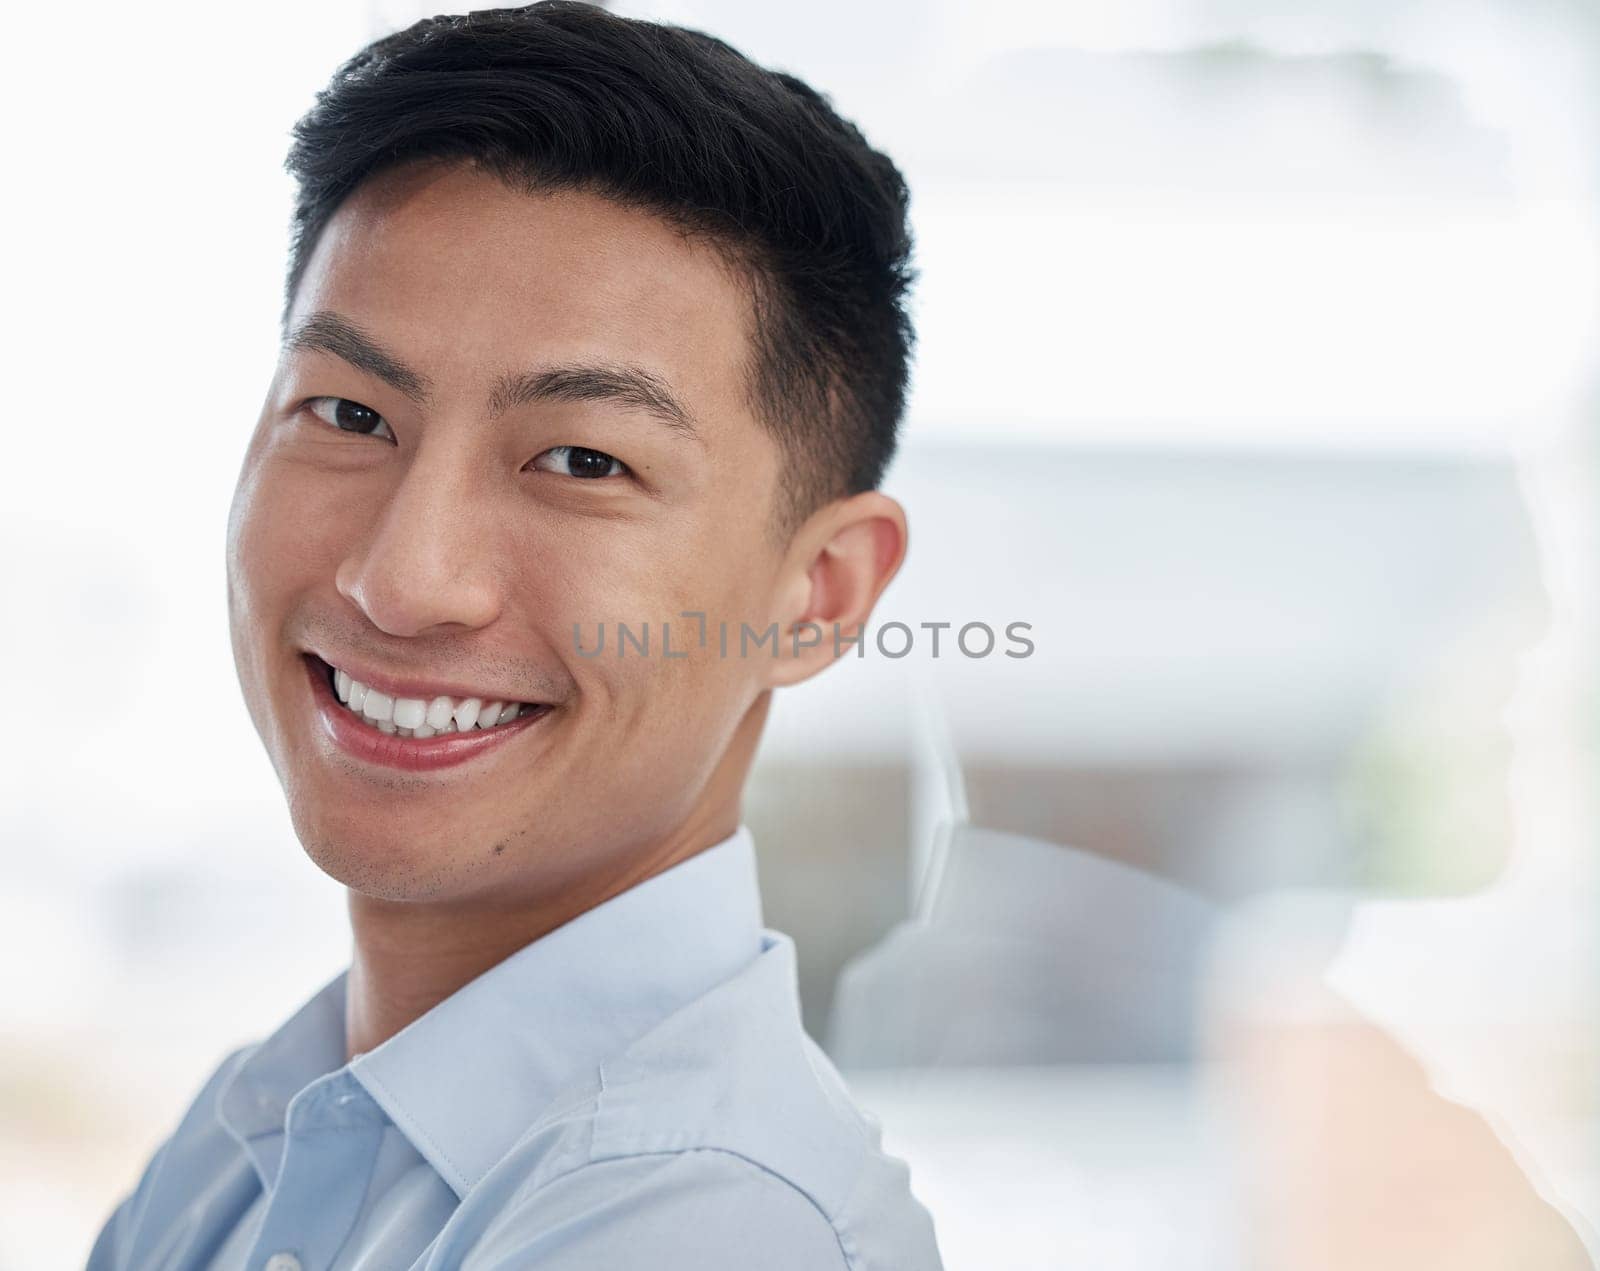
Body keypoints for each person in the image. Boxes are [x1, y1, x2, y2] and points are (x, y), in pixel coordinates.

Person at [87, 4, 939, 1267]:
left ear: (814, 593)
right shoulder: (248, 1141)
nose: (401, 577)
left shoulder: (709, 1225)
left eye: (583, 458)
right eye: (347, 411)